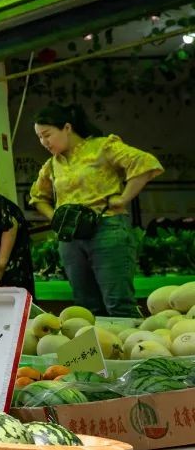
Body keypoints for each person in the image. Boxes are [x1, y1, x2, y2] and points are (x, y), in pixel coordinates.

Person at [29, 103, 162, 317]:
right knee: (85, 307)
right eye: (39, 137)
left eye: (47, 135)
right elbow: (37, 197)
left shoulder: (102, 147)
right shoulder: (52, 164)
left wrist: (125, 197)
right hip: (70, 238)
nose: (44, 142)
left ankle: (131, 348)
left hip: (107, 228)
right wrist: (56, 217)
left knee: (118, 304)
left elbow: (145, 162)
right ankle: (97, 349)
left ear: (67, 128)